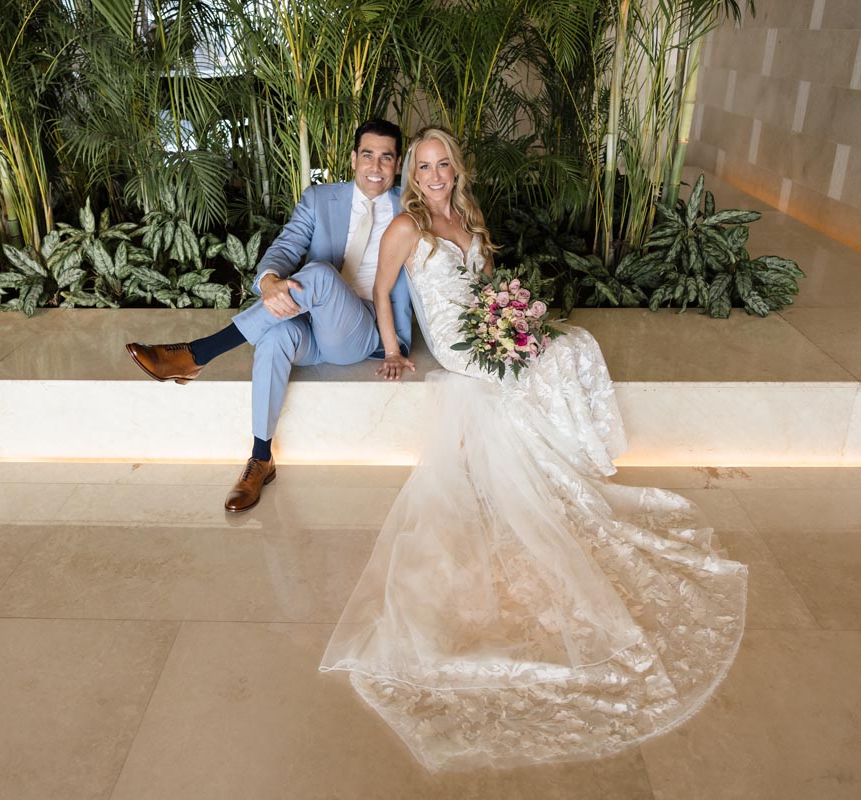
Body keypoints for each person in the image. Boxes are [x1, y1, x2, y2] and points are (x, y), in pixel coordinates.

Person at [319, 128, 749, 772]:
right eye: (424, 166)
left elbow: (489, 286)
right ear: (412, 174)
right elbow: (381, 291)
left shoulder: (467, 217)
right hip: (458, 344)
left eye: (442, 164)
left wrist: (511, 320)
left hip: (486, 328)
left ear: (455, 170)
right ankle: (574, 458)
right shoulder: (408, 226)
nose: (433, 175)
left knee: (572, 345)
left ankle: (576, 456)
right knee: (548, 361)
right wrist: (392, 350)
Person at [125, 119, 414, 511]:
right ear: (352, 159)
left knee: (319, 276)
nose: (375, 167)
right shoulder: (319, 198)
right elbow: (286, 246)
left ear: (397, 164)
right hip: (311, 322)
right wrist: (270, 282)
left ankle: (199, 353)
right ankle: (260, 459)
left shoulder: (411, 207)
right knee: (276, 336)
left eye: (386, 157)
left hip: (365, 330)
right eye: (368, 155)